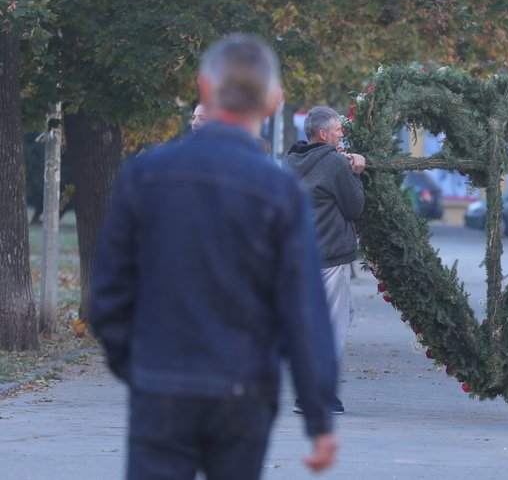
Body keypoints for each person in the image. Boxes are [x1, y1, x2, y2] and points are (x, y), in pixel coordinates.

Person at [90, 34, 339, 479]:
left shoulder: (145, 177)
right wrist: (319, 418)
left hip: (161, 384)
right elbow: (304, 312)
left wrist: (138, 367)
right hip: (243, 391)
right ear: (272, 102)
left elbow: (108, 294)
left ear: (204, 89)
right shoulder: (280, 193)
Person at [283, 106, 365, 415]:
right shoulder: (333, 164)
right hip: (329, 258)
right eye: (337, 129)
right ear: (322, 134)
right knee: (332, 326)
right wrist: (356, 173)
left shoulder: (291, 161)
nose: (342, 133)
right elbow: (355, 207)